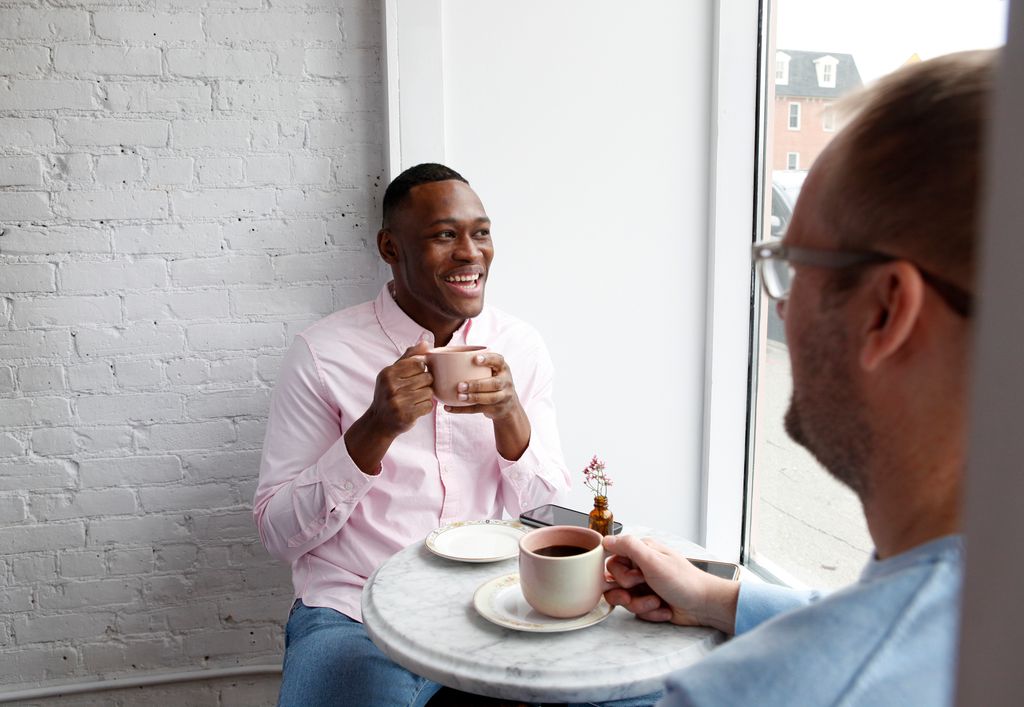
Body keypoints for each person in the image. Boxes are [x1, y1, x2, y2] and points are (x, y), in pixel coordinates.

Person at [601, 49, 992, 706]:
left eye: (792, 261)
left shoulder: (739, 695)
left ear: (886, 310)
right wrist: (720, 599)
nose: (780, 303)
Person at [253, 163, 571, 706]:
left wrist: (510, 415)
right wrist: (376, 427)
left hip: (492, 605)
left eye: (482, 232)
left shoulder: (519, 344)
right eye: (445, 235)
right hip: (355, 610)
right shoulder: (322, 355)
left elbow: (545, 512)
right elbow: (278, 534)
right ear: (390, 248)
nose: (471, 252)